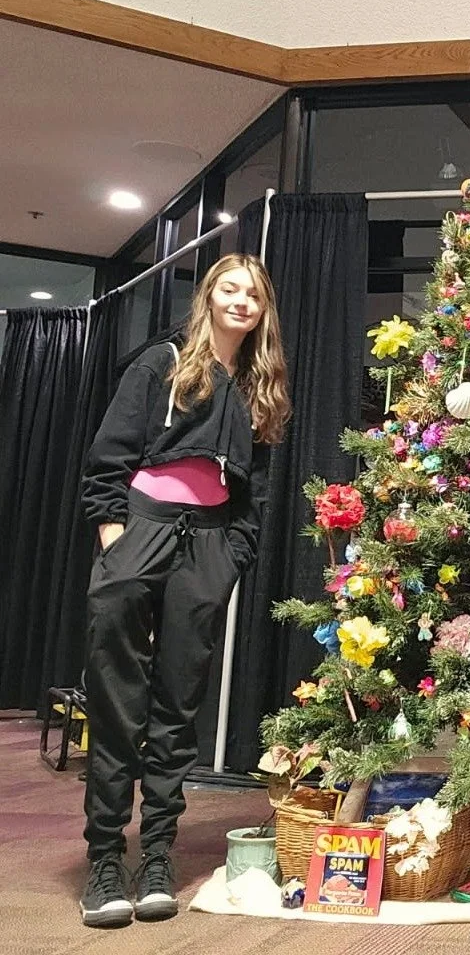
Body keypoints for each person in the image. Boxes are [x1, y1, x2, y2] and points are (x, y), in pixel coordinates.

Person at [78, 254, 290, 927]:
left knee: (178, 704)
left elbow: (250, 486)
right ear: (209, 296)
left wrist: (234, 553)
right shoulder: (162, 362)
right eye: (229, 289)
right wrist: (117, 542)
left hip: (209, 543)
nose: (240, 301)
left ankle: (159, 853)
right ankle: (106, 859)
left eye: (252, 294)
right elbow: (108, 458)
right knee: (116, 699)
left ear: (263, 310)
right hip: (141, 529)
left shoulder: (258, 382)